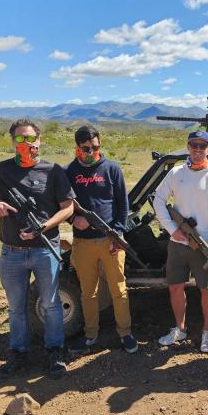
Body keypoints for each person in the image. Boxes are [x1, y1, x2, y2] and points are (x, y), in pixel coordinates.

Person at [0, 118, 75, 381]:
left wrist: (44, 226)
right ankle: (18, 352)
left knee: (52, 304)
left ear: (38, 140)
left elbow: (68, 207)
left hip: (45, 248)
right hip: (12, 252)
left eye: (30, 138)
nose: (26, 143)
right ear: (12, 142)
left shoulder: (52, 170)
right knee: (15, 308)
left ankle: (55, 352)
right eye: (20, 139)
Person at [64, 125, 138, 355]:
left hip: (111, 241)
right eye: (86, 148)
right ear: (77, 147)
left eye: (95, 147)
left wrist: (117, 233)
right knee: (88, 292)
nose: (91, 152)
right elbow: (63, 206)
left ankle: (125, 333)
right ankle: (90, 335)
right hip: (83, 243)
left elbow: (122, 205)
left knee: (119, 289)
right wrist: (74, 220)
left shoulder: (112, 169)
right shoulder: (69, 172)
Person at [153, 130, 208, 353]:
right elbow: (158, 200)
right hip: (178, 245)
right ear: (188, 147)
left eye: (202, 146)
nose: (197, 149)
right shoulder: (176, 173)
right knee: (175, 287)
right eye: (194, 145)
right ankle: (180, 329)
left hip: (202, 246)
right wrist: (173, 230)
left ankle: (207, 332)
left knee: (207, 288)